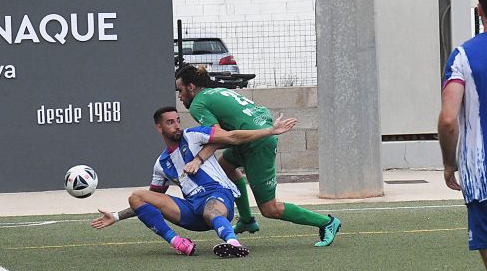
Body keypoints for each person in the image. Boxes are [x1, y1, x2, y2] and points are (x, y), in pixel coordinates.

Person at [91, 106, 297, 257]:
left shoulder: (194, 136)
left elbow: (232, 136)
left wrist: (270, 131)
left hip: (219, 197)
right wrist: (117, 216)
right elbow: (150, 202)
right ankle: (179, 243)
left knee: (210, 209)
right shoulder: (161, 164)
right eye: (170, 122)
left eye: (178, 120)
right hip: (192, 210)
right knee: (137, 196)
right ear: (158, 127)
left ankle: (233, 243)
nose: (177, 126)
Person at [175, 65, 341, 247]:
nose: (179, 96)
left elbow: (218, 134)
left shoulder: (198, 103)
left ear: (191, 87)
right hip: (252, 138)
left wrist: (198, 159)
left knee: (269, 209)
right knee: (224, 167)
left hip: (258, 144)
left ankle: (327, 222)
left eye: (180, 90)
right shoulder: (218, 91)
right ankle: (246, 220)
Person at [438, 0, 487, 270]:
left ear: (479, 9)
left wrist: (448, 163)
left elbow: (448, 120)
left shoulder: (463, 56)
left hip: (482, 176)